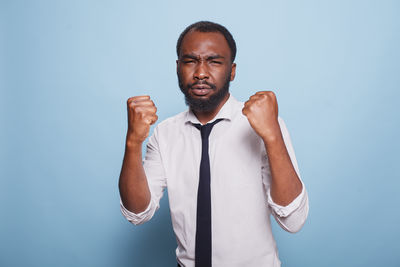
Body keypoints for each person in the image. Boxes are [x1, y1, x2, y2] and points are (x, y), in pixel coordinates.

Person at [119, 21, 309, 267]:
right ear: (178, 68)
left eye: (214, 61)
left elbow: (293, 221)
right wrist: (133, 141)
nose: (200, 73)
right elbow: (137, 213)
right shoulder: (165, 134)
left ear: (232, 71)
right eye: (190, 61)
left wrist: (272, 136)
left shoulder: (264, 125)